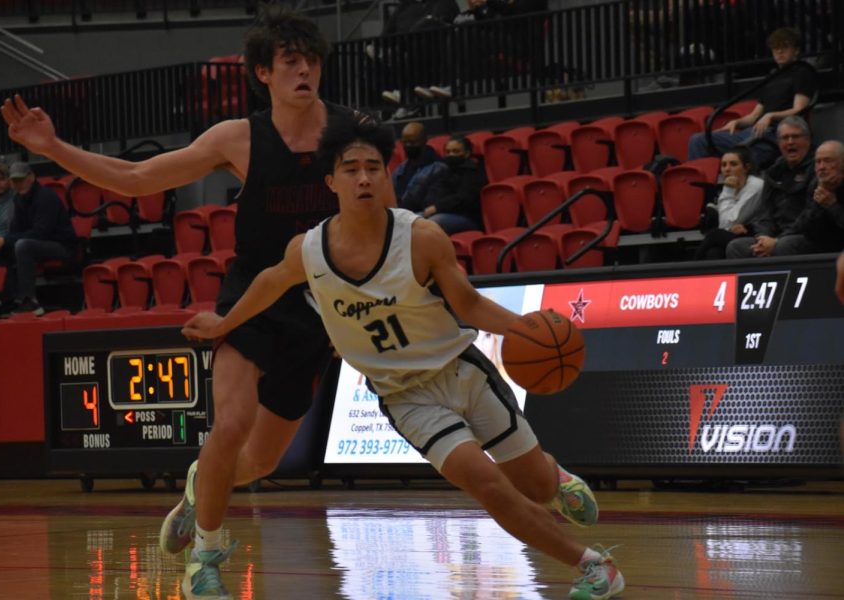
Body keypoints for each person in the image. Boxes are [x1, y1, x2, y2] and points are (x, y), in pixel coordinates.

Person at [1, 11, 371, 600]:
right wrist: (52, 148)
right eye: (290, 61)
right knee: (229, 424)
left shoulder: (352, 131)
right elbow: (136, 177)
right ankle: (207, 556)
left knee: (259, 462)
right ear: (263, 74)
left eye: (312, 59)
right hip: (250, 300)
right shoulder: (238, 138)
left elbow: (386, 220)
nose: (305, 69)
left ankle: (199, 486)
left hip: (316, 310)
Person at [181, 115, 624, 600]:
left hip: (463, 373)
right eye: (351, 169)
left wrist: (525, 328)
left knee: (536, 488)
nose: (364, 177)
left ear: (387, 177)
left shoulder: (420, 237)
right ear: (330, 182)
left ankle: (553, 476)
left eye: (374, 167)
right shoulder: (308, 251)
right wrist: (223, 324)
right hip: (406, 399)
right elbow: (267, 283)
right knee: (489, 486)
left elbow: (469, 304)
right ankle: (593, 566)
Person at [687, 27, 817, 168]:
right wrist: (737, 122)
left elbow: (799, 109)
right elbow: (754, 115)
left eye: (784, 47)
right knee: (698, 140)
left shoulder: (802, 72)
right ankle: (700, 187)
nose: (779, 52)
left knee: (742, 155)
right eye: (775, 48)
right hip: (753, 133)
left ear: (796, 50)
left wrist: (771, 116)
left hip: (776, 134)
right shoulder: (772, 77)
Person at [0, 162, 77, 315]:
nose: (19, 184)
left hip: (62, 246)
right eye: (15, 181)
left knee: (22, 245)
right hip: (38, 244)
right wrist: (0, 242)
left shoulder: (46, 197)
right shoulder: (18, 200)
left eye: (22, 179)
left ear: (31, 177)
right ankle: (9, 301)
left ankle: (30, 301)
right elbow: (15, 232)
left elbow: (41, 233)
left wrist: (5, 240)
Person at [726, 116, 815, 259]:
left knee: (784, 245)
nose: (790, 142)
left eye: (795, 136)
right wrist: (763, 237)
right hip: (776, 235)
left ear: (808, 140)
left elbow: (811, 215)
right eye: (785, 138)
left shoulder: (818, 167)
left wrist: (776, 241)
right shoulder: (774, 171)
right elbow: (765, 213)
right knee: (736, 247)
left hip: (805, 235)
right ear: (779, 143)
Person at [694, 146, 764, 260]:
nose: (727, 169)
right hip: (737, 234)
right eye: (724, 165)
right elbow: (726, 225)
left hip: (758, 235)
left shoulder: (756, 186)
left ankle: (691, 270)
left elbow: (728, 223)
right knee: (713, 253)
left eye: (733, 164)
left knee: (715, 235)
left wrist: (727, 191)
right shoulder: (730, 186)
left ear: (746, 168)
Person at [777, 140, 844, 254]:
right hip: (826, 241)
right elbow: (806, 227)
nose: (822, 167)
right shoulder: (816, 184)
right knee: (785, 244)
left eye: (828, 161)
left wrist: (832, 205)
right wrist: (777, 240)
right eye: (818, 162)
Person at [423, 135, 487, 233]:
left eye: (456, 151)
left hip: (466, 217)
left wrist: (437, 207)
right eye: (448, 152)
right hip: (442, 212)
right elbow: (434, 191)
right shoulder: (445, 171)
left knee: (433, 222)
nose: (451, 155)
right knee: (412, 221)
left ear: (466, 153)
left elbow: (463, 199)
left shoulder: (473, 172)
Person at [393, 121, 448, 211]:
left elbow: (430, 202)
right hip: (399, 213)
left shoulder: (438, 167)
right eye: (405, 142)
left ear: (424, 140)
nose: (408, 145)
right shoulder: (401, 168)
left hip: (421, 215)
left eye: (412, 142)